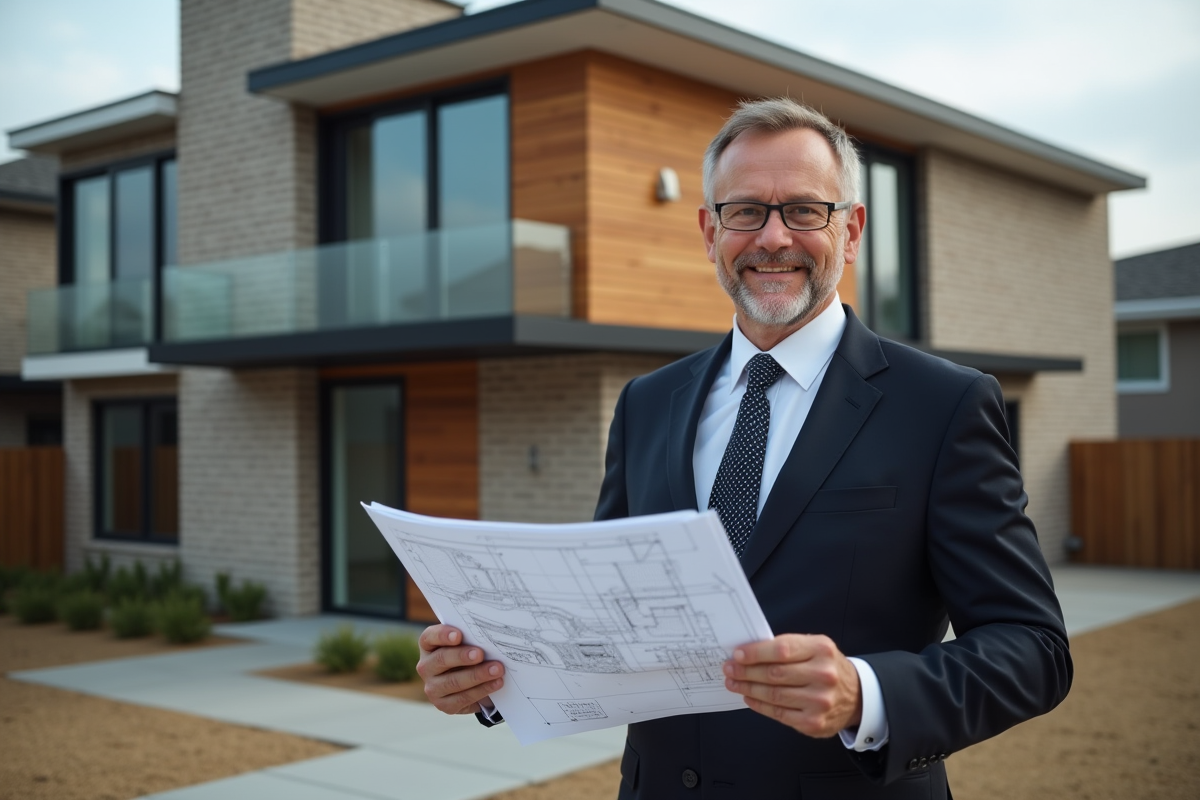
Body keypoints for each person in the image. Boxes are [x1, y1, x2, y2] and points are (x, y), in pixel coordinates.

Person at [416, 98, 1072, 799]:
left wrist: (867, 693)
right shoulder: (647, 403)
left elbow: (1031, 648)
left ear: (851, 231)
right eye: (746, 212)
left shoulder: (942, 405)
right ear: (709, 230)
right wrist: (491, 678)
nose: (773, 238)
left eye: (804, 211)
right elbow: (605, 617)